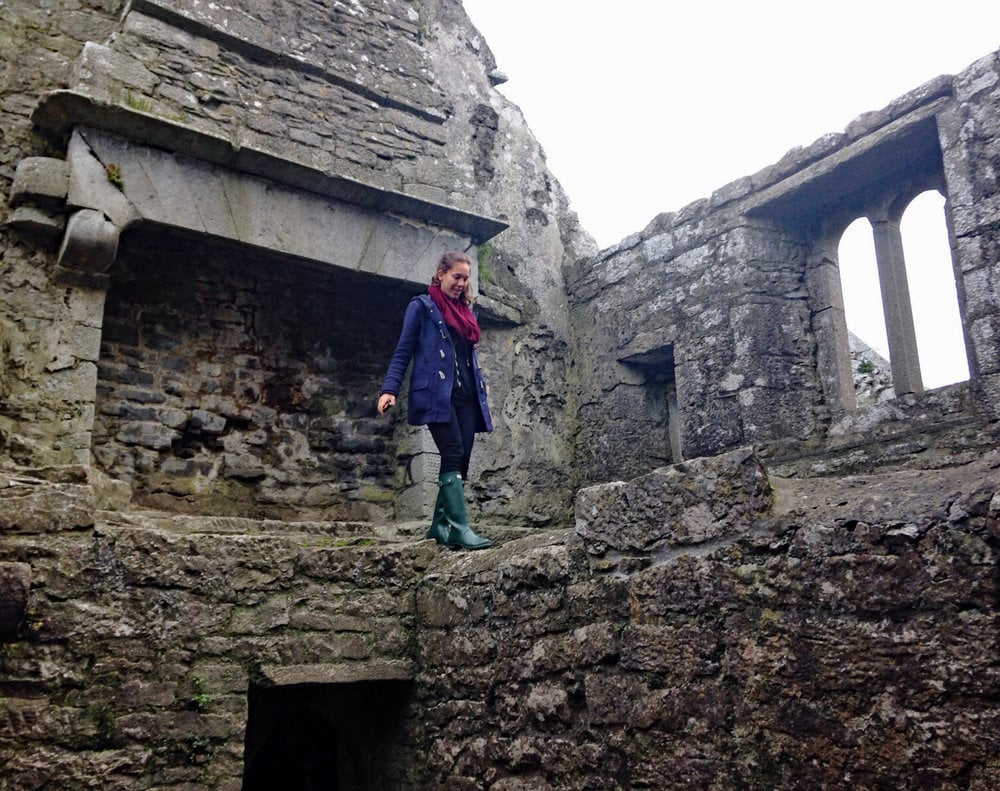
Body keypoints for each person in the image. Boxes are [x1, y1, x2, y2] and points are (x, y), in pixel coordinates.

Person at [377, 251, 493, 550]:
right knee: (452, 450)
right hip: (435, 396)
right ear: (441, 274)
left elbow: (468, 360)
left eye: (466, 278)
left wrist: (482, 394)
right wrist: (389, 389)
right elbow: (403, 350)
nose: (461, 283)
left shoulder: (466, 313)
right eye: (457, 277)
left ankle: (439, 526)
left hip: (467, 397)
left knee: (461, 458)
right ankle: (459, 528)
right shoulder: (422, 307)